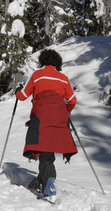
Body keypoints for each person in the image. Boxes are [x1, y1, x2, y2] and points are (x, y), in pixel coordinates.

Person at [15, 49, 78, 201]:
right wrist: (64, 112)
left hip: (42, 114)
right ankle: (43, 178)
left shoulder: (37, 75)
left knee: (43, 147)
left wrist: (17, 90)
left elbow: (22, 96)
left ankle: (48, 182)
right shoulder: (63, 78)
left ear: (42, 61)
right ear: (58, 63)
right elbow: (73, 100)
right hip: (60, 116)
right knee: (49, 146)